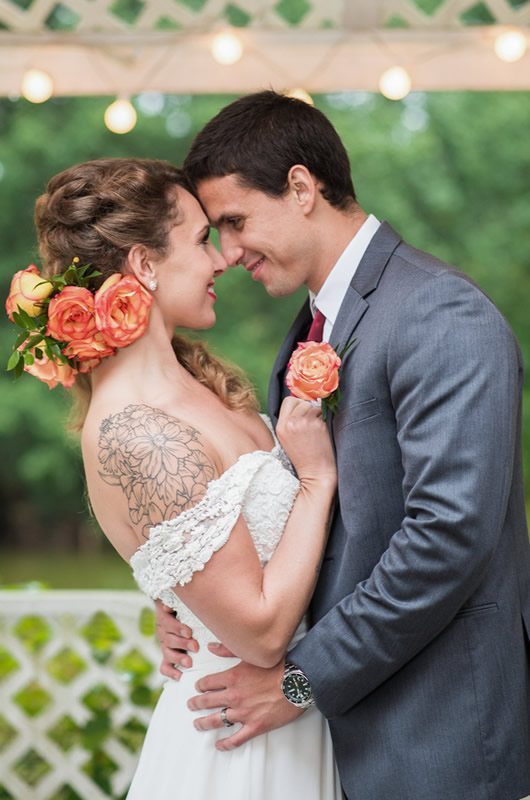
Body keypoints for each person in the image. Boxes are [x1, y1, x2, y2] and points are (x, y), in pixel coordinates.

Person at [156, 91, 530, 800]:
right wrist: (196, 593)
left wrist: (301, 681)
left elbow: (447, 538)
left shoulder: (438, 311)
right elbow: (310, 509)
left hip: (432, 733)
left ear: (302, 187)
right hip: (337, 743)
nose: (228, 254)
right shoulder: (313, 323)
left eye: (234, 222)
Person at [25, 158, 343, 799]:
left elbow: (219, 548)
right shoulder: (133, 433)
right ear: (143, 265)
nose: (222, 259)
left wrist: (180, 593)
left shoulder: (200, 383)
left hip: (293, 718)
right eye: (201, 240)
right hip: (240, 746)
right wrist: (314, 479)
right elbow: (258, 632)